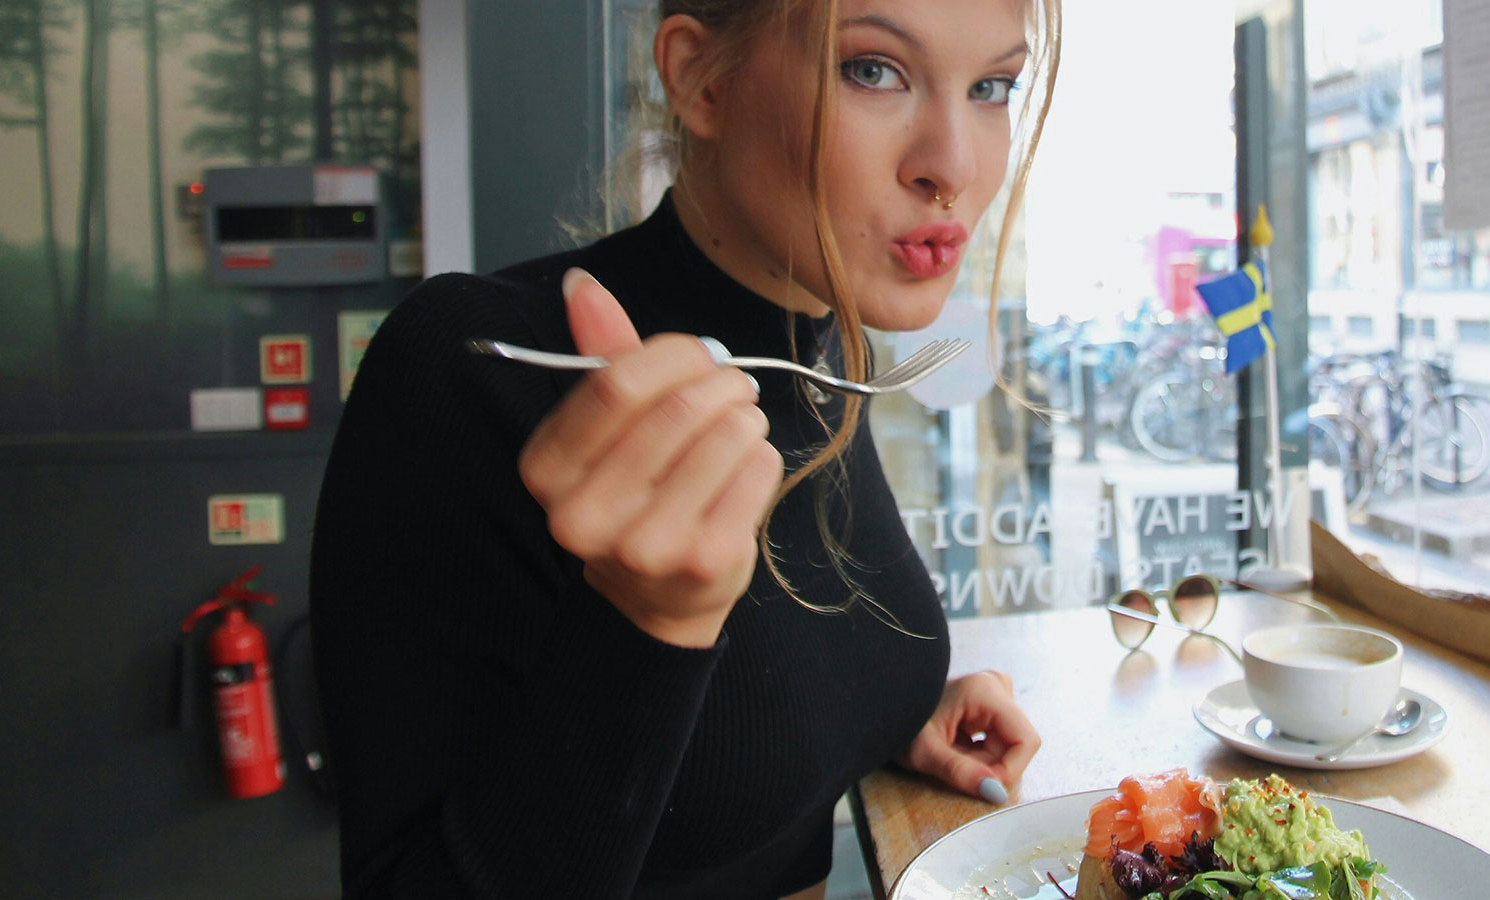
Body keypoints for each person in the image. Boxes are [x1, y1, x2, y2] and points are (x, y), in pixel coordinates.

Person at [309, 0, 1062, 897]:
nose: (955, 166)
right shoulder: (471, 364)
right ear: (701, 77)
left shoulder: (817, 358)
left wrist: (882, 710)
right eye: (873, 70)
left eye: (991, 87)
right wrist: (647, 622)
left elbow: (723, 729)